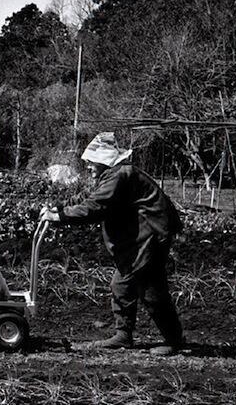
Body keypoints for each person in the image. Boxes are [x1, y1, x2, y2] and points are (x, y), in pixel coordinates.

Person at [40, 132, 184, 356]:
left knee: (149, 289)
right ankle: (123, 335)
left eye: (90, 163)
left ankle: (173, 340)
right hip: (141, 238)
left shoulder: (119, 176)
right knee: (123, 284)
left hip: (151, 235)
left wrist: (59, 217)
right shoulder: (114, 175)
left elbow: (96, 207)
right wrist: (59, 208)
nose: (88, 167)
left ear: (103, 160)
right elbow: (89, 198)